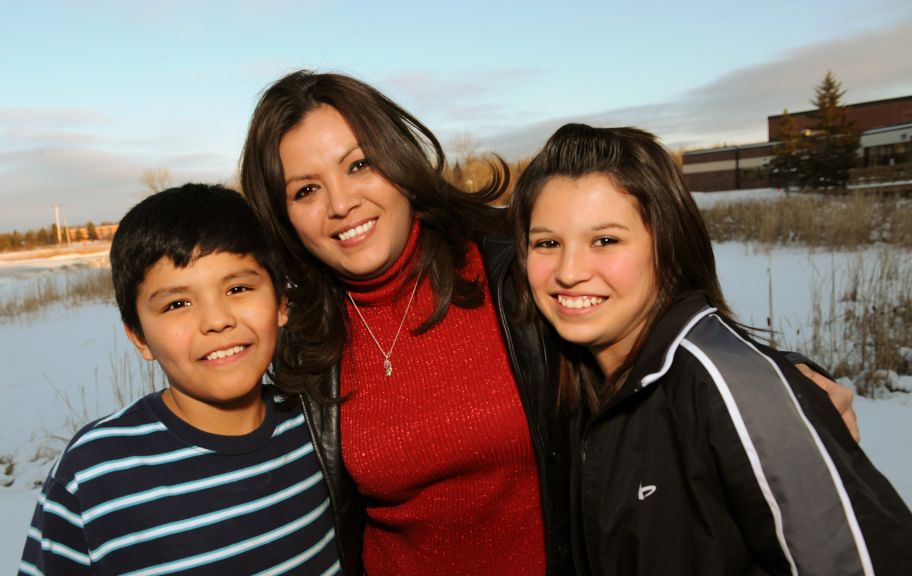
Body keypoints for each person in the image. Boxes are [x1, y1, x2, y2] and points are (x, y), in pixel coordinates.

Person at [239, 71, 859, 575]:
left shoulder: (517, 265)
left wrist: (782, 384)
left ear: (398, 161)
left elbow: (655, 317)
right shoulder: (303, 340)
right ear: (284, 214)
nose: (340, 203)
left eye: (357, 165)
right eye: (305, 191)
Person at [510, 123, 912, 575]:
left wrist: (772, 385)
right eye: (547, 243)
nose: (568, 271)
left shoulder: (737, 390)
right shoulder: (579, 378)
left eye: (605, 240)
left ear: (668, 244)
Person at [18, 184, 340, 575]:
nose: (217, 320)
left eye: (238, 288)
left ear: (281, 303)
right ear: (139, 336)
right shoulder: (95, 472)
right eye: (177, 304)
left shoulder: (320, 428)